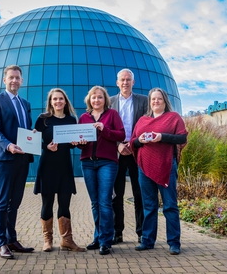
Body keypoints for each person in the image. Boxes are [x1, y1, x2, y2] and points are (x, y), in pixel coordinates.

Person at [130, 88, 188, 255]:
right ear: (150, 102)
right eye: (153, 99)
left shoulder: (174, 118)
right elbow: (133, 141)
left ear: (165, 101)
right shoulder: (142, 120)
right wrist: (139, 141)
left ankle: (174, 242)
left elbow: (182, 138)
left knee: (170, 205)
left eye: (159, 99)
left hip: (167, 166)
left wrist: (162, 136)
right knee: (149, 205)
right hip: (144, 168)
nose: (156, 101)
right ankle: (147, 240)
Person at [0, 65, 35, 259]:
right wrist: (8, 146)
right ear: (4, 80)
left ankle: (12, 239)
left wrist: (32, 135)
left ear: (22, 81)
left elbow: (26, 128)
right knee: (2, 202)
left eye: (17, 78)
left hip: (23, 159)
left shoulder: (25, 103)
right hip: (5, 158)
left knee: (14, 202)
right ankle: (1, 243)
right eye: (11, 78)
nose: (14, 80)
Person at [34, 88, 86, 253]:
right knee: (47, 203)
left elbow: (72, 143)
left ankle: (66, 240)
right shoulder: (43, 119)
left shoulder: (72, 120)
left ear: (65, 101)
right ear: (50, 102)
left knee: (65, 204)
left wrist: (77, 143)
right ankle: (47, 241)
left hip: (64, 166)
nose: (58, 102)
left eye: (60, 99)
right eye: (54, 99)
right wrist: (46, 147)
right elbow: (34, 141)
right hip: (47, 165)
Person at [77, 86, 125, 255]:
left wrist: (105, 130)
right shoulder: (83, 117)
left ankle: (106, 241)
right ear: (89, 100)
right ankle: (97, 237)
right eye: (93, 97)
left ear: (105, 99)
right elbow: (78, 139)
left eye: (100, 97)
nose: (96, 100)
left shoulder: (112, 115)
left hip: (107, 163)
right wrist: (79, 143)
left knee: (105, 201)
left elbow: (121, 135)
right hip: (87, 163)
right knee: (95, 202)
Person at [110, 68, 148, 245]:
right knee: (116, 194)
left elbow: (147, 125)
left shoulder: (144, 101)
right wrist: (118, 145)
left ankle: (141, 232)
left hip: (136, 151)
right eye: (122, 80)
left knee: (139, 193)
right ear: (117, 83)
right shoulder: (109, 102)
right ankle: (117, 232)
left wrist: (133, 144)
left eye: (128, 80)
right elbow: (106, 128)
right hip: (116, 151)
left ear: (133, 82)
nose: (125, 82)